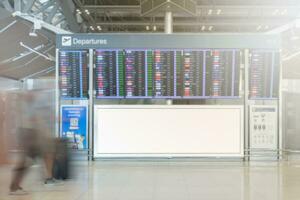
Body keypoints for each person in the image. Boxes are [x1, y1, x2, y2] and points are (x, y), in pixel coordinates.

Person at [9, 90, 56, 195]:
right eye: (30, 93)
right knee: (25, 161)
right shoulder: (23, 106)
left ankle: (16, 186)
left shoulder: (29, 106)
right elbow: (31, 120)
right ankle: (14, 188)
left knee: (28, 161)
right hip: (26, 134)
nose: (33, 95)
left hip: (30, 134)